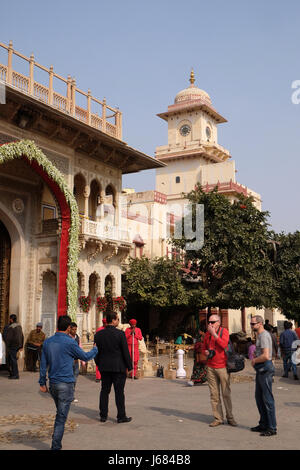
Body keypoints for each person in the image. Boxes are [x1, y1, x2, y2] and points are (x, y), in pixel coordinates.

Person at [39, 315, 98, 451]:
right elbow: (85, 356)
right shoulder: (70, 342)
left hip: (53, 384)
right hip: (65, 383)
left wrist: (42, 382)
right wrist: (95, 349)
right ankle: (55, 446)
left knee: (60, 413)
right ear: (68, 328)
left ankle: (56, 442)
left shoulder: (48, 342)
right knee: (61, 417)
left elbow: (43, 364)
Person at [94, 311, 133, 423]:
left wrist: (99, 364)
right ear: (114, 320)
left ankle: (103, 415)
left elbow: (95, 352)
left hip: (104, 367)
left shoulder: (99, 335)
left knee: (104, 391)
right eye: (117, 319)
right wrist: (129, 367)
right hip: (118, 367)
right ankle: (121, 416)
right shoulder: (120, 334)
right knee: (119, 392)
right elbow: (125, 352)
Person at [201, 314, 237, 427]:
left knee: (226, 393)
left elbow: (223, 344)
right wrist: (206, 352)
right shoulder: (207, 334)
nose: (210, 324)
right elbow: (203, 348)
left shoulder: (224, 331)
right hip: (211, 366)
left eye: (213, 322)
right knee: (214, 394)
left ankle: (230, 417)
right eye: (209, 322)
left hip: (222, 367)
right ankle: (218, 418)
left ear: (219, 322)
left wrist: (214, 334)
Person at [250, 315, 277, 436]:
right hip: (261, 368)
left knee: (267, 399)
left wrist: (255, 360)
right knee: (259, 398)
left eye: (253, 324)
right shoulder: (259, 335)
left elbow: (266, 355)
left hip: (265, 368)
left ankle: (271, 427)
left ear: (260, 324)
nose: (251, 326)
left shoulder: (264, 335)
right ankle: (263, 423)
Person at [4, 314, 24, 379]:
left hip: (12, 346)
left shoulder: (11, 327)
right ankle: (13, 374)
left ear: (11, 319)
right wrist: (21, 345)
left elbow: (8, 338)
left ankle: (15, 375)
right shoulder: (19, 326)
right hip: (17, 345)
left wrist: (7, 345)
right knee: (13, 360)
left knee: (13, 360)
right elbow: (22, 336)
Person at [69, 322, 81, 402]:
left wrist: (83, 361)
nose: (74, 331)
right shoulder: (67, 338)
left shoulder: (77, 337)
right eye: (73, 329)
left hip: (76, 361)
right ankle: (70, 395)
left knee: (74, 379)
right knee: (69, 379)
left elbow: (80, 348)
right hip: (69, 361)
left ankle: (71, 394)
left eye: (75, 329)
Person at [95, 318, 107, 383]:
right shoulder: (99, 330)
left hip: (105, 348)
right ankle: (98, 377)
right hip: (100, 347)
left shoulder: (106, 329)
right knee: (98, 362)